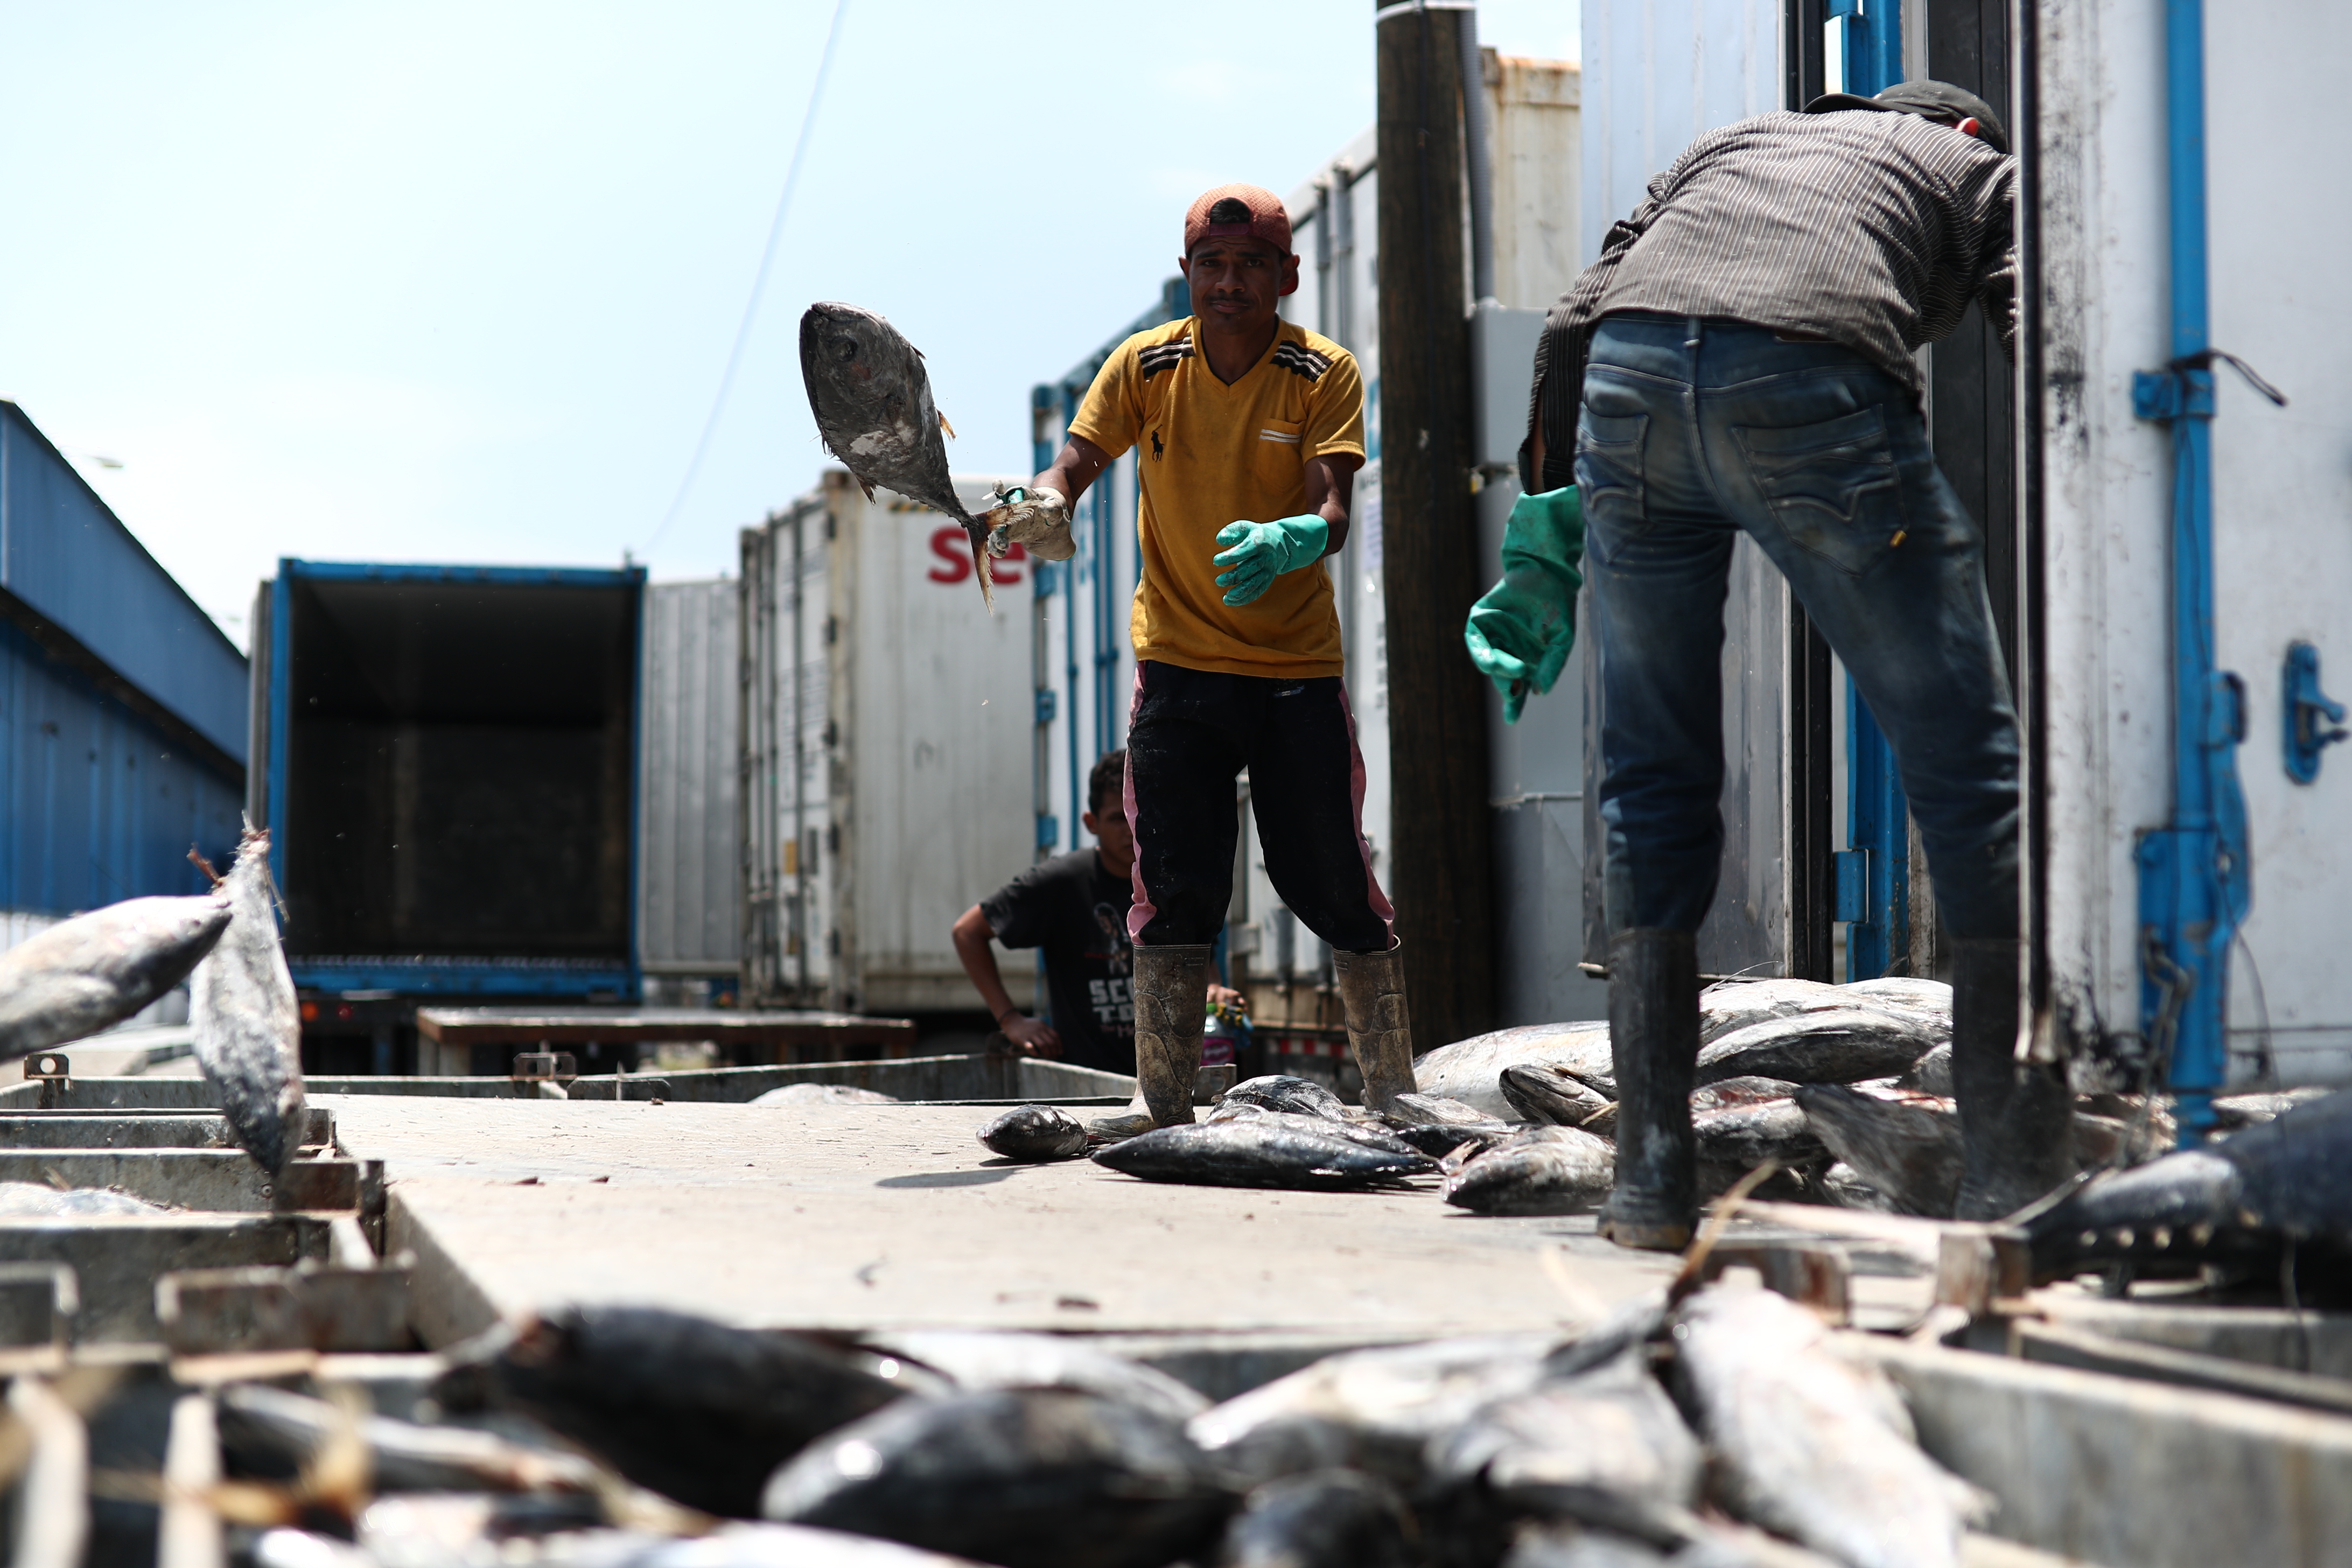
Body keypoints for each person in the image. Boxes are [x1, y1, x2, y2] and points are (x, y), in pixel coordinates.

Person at [1468, 80, 2056, 1248]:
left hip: (1631, 395)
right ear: (1968, 129)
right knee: (1973, 777)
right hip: (1812, 382)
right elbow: (2035, 325)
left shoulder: (1726, 139)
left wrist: (1542, 513)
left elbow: (1584, 305)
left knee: (1650, 782)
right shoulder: (1977, 170)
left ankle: (1647, 1184)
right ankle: (2004, 1179)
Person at [985, 184, 1408, 1126]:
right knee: (1172, 886)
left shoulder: (1320, 371)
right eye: (1210, 265)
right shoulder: (1144, 365)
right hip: (1176, 666)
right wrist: (1047, 500)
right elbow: (1076, 464)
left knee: (1332, 880)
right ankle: (1160, 1100)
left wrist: (1298, 537)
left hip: (1295, 670)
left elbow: (1333, 504)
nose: (1228, 283)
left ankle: (1391, 1090)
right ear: (1185, 276)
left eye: (1250, 264)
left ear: (1286, 276)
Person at [951, 750, 1243, 1075]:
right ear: (1091, 823)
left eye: (1139, 814)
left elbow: (1202, 961)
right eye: (1119, 819)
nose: (1131, 829)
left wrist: (1214, 992)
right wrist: (1011, 1020)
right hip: (1087, 1088)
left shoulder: (1174, 883)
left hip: (1169, 1086)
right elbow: (967, 932)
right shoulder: (1062, 883)